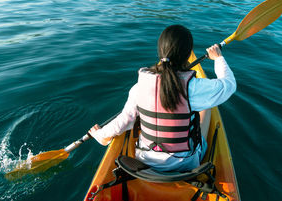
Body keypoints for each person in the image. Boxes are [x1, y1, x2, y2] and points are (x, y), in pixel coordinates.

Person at [89, 25, 236, 172]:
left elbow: (124, 120)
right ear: (187, 55)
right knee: (207, 107)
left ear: (160, 51)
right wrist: (218, 58)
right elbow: (229, 85)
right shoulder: (194, 87)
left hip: (144, 160)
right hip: (185, 164)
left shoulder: (139, 87)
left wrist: (101, 135)